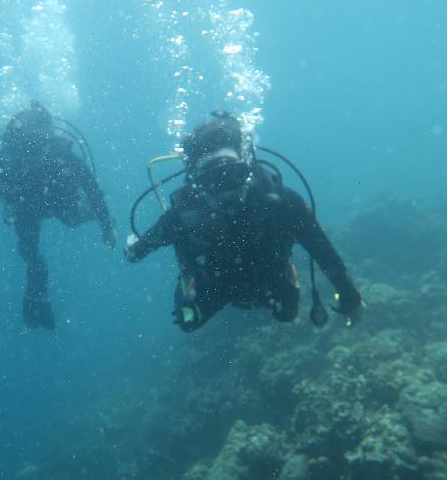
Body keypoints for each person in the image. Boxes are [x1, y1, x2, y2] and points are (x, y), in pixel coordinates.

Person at [125, 114, 363, 332]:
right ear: (196, 177)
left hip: (266, 278)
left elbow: (321, 249)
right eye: (214, 179)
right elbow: (322, 251)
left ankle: (286, 274)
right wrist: (349, 296)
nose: (225, 185)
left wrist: (349, 295)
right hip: (216, 283)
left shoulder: (280, 201)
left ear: (247, 165)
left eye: (231, 173)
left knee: (287, 315)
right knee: (188, 323)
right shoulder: (185, 213)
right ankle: (194, 284)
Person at [0, 102, 117, 330]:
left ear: (47, 139)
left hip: (58, 201)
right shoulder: (2, 161)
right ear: (14, 142)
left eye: (35, 144)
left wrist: (105, 222)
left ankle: (88, 213)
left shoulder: (63, 157)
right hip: (26, 207)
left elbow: (91, 187)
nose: (30, 152)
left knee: (73, 218)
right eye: (24, 145)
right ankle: (37, 294)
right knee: (29, 252)